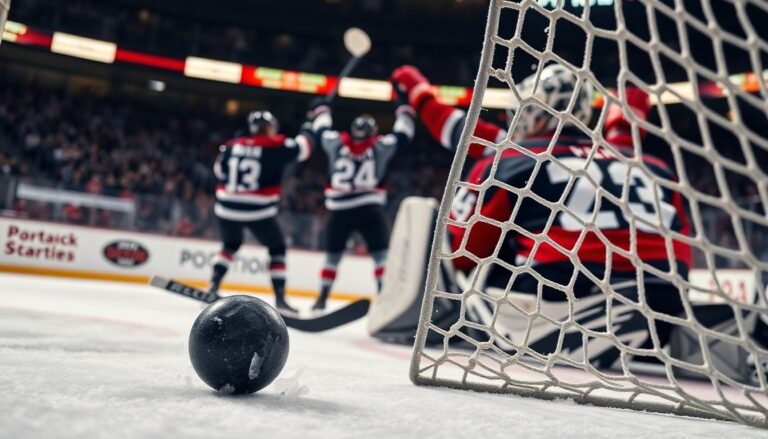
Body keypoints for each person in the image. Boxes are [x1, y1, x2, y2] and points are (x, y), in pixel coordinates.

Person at [372, 64, 767, 384]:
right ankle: (706, 332)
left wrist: (415, 85)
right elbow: (680, 244)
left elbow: (466, 252)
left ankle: (423, 315)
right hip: (663, 299)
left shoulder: (511, 157)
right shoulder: (649, 163)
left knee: (435, 222)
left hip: (563, 300)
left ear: (531, 112)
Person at [307, 96, 416, 311]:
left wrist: (321, 110)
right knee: (380, 256)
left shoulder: (335, 141)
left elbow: (320, 130)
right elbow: (404, 134)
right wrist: (404, 110)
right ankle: (384, 299)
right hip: (370, 208)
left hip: (339, 210)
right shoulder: (381, 145)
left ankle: (322, 298)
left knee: (332, 256)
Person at [208, 110, 315, 314]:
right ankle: (281, 299)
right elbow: (305, 148)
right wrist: (310, 125)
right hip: (258, 209)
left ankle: (213, 285)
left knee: (230, 245)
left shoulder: (231, 145)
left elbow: (219, 171)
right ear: (268, 127)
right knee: (277, 249)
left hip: (226, 206)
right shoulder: (275, 145)